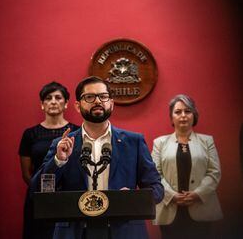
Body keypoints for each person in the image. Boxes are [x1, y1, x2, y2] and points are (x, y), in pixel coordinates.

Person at [29, 76, 164, 239]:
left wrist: (133, 199)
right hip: (74, 232)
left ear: (111, 103)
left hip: (124, 232)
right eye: (90, 97)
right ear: (78, 106)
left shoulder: (133, 142)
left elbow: (157, 188)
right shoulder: (62, 144)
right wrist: (58, 160)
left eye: (103, 96)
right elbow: (37, 188)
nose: (98, 101)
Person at [151, 94, 223, 239]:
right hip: (169, 209)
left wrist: (198, 194)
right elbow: (155, 174)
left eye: (187, 111)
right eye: (178, 112)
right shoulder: (159, 143)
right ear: (171, 117)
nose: (183, 115)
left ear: (194, 115)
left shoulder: (207, 141)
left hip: (200, 208)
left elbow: (214, 172)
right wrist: (172, 196)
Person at [19, 81, 79, 239]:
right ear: (42, 104)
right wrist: (41, 192)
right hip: (38, 197)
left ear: (66, 104)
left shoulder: (77, 132)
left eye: (58, 97)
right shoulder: (30, 134)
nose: (53, 101)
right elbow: (26, 173)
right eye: (48, 98)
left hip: (69, 198)